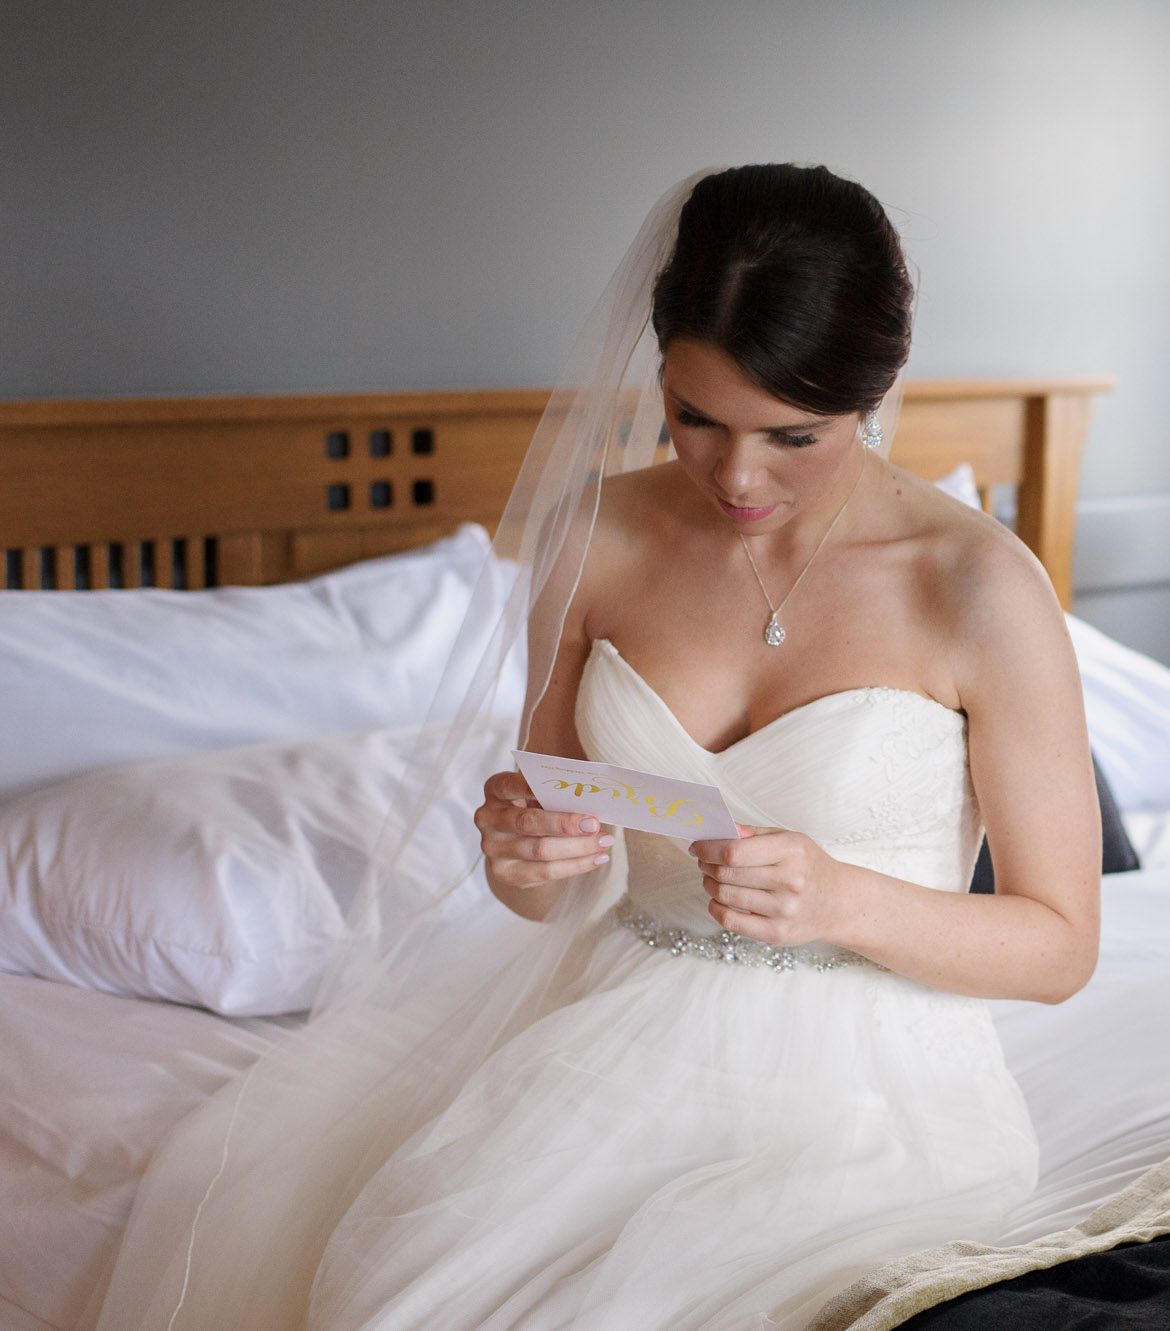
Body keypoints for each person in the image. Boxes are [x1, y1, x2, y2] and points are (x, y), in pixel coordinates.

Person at [85, 163, 1102, 1330]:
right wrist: (524, 863)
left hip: (870, 1089)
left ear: (875, 395)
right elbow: (559, 877)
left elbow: (1059, 943)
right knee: (419, 1299)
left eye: (793, 435)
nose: (735, 475)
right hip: (600, 1049)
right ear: (657, 368)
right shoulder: (597, 537)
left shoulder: (976, 585)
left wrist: (841, 898)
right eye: (695, 418)